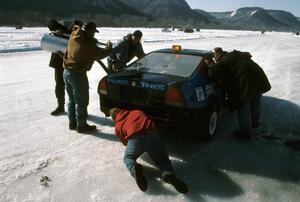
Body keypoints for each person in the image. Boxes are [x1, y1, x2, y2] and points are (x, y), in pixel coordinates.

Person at [108, 108, 188, 193]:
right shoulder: (136, 111)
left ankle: (134, 169)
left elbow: (125, 143)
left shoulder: (118, 126)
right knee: (162, 159)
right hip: (152, 133)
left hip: (135, 139)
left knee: (128, 157)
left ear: (114, 118)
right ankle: (169, 175)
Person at [205, 47, 271, 139]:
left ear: (218, 57)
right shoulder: (233, 56)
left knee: (242, 106)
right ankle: (255, 124)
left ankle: (245, 133)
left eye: (216, 60)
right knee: (255, 102)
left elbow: (213, 73)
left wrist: (211, 65)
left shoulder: (223, 61)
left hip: (247, 81)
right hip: (259, 78)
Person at [63, 22, 112, 133]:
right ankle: (81, 125)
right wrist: (109, 47)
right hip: (78, 75)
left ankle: (72, 123)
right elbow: (102, 53)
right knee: (81, 101)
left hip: (66, 71)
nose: (94, 35)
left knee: (71, 99)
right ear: (89, 32)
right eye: (93, 32)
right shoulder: (88, 45)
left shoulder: (74, 35)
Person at [47, 19, 71, 116]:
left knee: (72, 85)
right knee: (59, 85)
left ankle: (77, 107)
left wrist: (63, 31)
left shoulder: (67, 31)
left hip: (69, 63)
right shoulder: (54, 32)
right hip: (58, 63)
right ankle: (60, 106)